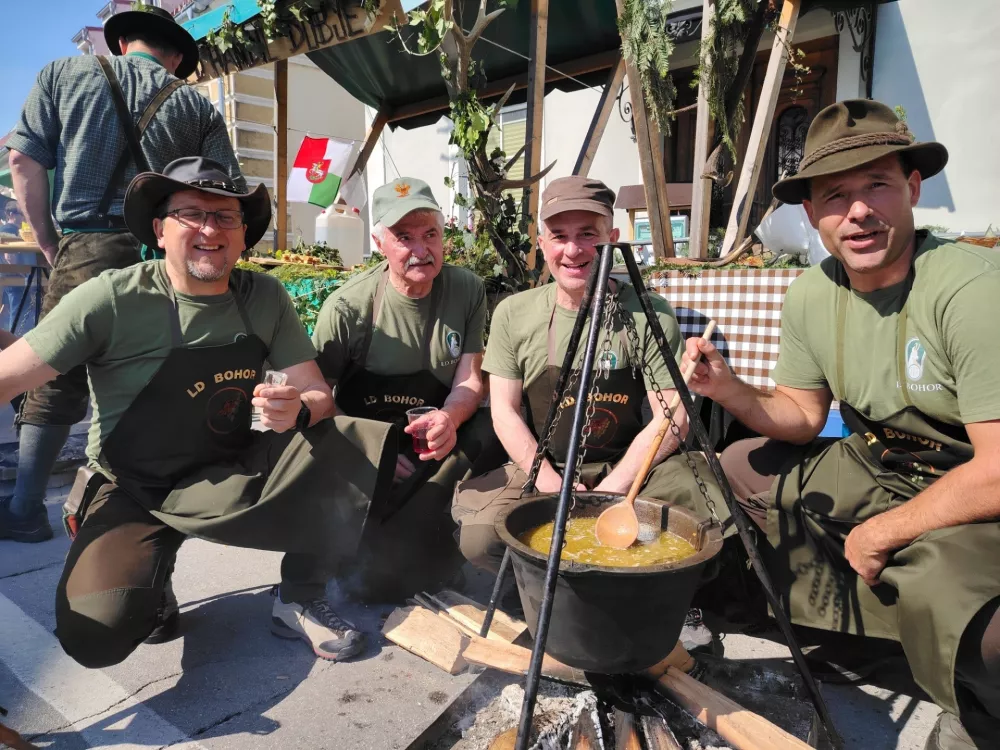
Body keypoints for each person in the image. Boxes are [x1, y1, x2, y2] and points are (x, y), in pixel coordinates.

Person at [682, 100, 1000, 749]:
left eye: (876, 185)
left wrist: (888, 530)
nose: (858, 210)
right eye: (836, 194)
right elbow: (800, 417)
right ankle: (741, 614)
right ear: (811, 212)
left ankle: (976, 714)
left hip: (976, 478)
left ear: (911, 188)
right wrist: (730, 389)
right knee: (731, 468)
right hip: (883, 461)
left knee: (957, 596)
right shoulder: (813, 292)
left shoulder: (970, 288)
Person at [0, 157, 395, 666]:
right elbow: (9, 374)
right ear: (161, 230)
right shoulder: (111, 300)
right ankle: (146, 575)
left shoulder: (265, 296)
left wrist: (296, 410)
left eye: (226, 216)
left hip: (233, 466)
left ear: (243, 233)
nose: (210, 228)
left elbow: (320, 396)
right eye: (191, 214)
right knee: (97, 634)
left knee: (346, 439)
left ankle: (299, 593)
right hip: (137, 484)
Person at [1, 5, 244, 543]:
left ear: (122, 42)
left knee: (54, 375)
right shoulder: (191, 103)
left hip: (86, 241)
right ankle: (157, 502)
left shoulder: (63, 74)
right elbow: (226, 185)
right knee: (154, 371)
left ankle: (25, 510)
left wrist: (48, 240)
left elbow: (22, 161)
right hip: (165, 252)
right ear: (176, 57)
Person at [451, 177, 711, 625]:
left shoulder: (649, 313)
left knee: (698, 526)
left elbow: (673, 418)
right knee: (480, 539)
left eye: (588, 234)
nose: (573, 250)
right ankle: (552, 601)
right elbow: (505, 411)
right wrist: (553, 483)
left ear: (611, 239)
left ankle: (657, 609)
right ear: (541, 244)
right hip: (545, 464)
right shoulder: (516, 313)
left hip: (631, 467)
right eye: (560, 236)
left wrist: (614, 489)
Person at [312, 177, 504, 600]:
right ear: (380, 242)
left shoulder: (467, 290)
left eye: (430, 234)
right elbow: (317, 400)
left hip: (432, 438)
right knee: (375, 583)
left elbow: (470, 379)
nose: (421, 250)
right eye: (404, 237)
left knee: (490, 430)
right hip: (364, 441)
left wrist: (450, 419)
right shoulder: (346, 307)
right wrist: (371, 449)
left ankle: (439, 547)